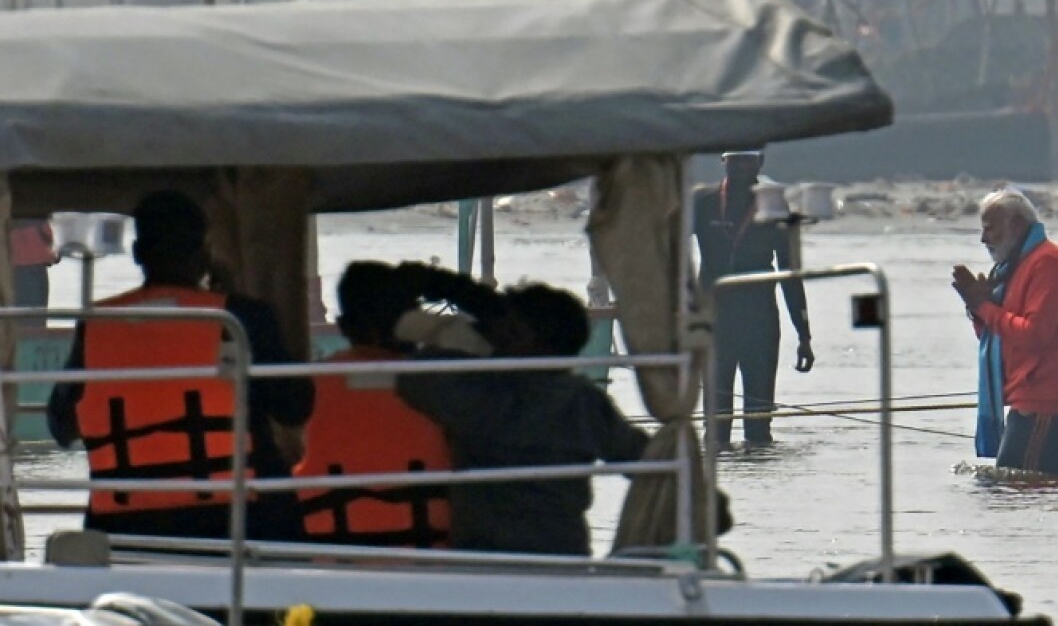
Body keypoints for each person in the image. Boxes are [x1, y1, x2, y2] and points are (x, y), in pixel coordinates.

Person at [46, 189, 314, 540]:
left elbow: (62, 428)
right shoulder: (241, 317)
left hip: (126, 527)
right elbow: (295, 409)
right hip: (238, 520)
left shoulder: (95, 326)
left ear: (138, 254)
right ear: (204, 255)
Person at [396, 279, 650, 556]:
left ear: (523, 336)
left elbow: (414, 376)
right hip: (563, 552)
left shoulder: (479, 393)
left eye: (509, 329)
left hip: (482, 554)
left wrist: (472, 342)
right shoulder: (582, 401)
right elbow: (640, 457)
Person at [294, 261, 452, 548]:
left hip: (331, 549)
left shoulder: (309, 384)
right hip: (430, 550)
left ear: (344, 325)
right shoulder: (443, 382)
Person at [951, 188, 1058, 477]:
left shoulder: (1047, 262)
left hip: (1046, 391)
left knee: (1015, 483)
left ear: (1016, 224)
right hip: (1029, 391)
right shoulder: (1014, 267)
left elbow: (1034, 335)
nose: (984, 239)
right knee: (1047, 484)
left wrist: (985, 308)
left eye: (991, 228)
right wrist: (978, 309)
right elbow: (999, 337)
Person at [692, 150, 813, 448]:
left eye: (747, 160)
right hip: (714, 320)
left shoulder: (775, 206)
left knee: (759, 428)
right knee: (716, 426)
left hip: (759, 321)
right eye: (734, 160)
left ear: (760, 163)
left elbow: (790, 273)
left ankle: (758, 470)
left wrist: (804, 334)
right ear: (723, 161)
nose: (741, 167)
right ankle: (717, 472)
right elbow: (673, 255)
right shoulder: (703, 201)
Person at [9, 219, 57, 327]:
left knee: (17, 317)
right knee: (36, 317)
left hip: (13, 268)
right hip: (35, 268)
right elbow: (47, 235)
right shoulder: (36, 217)